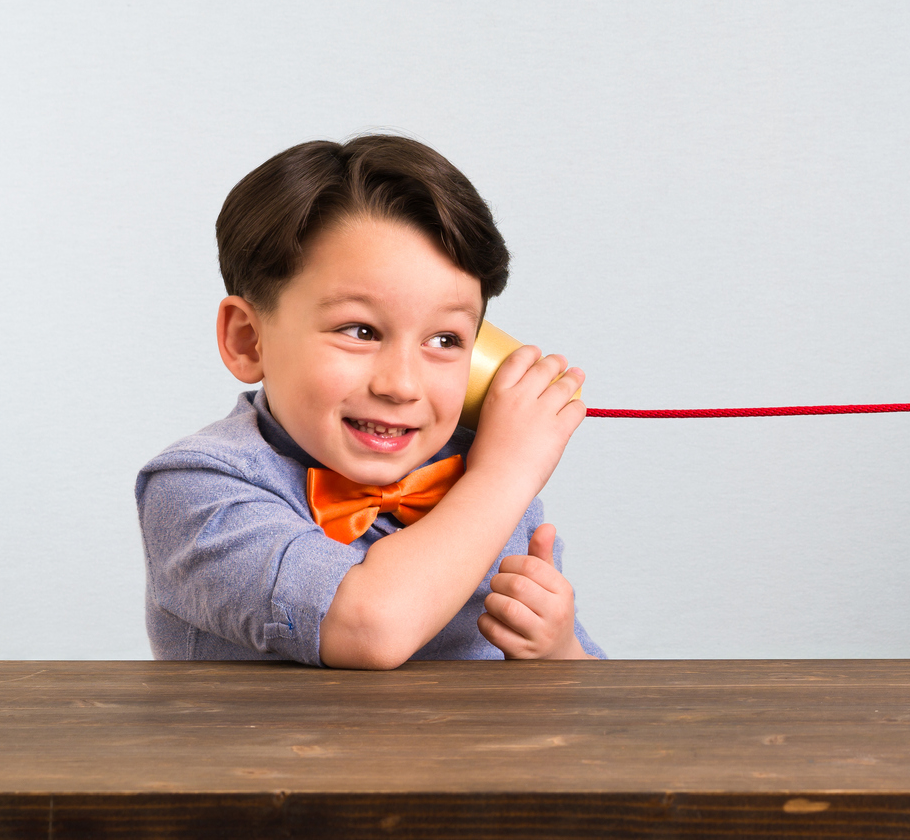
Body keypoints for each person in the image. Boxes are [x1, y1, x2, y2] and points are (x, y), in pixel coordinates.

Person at [135, 135, 602, 667]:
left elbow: (589, 703)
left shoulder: (484, 477)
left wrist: (559, 653)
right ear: (248, 339)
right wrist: (506, 474)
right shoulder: (196, 490)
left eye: (445, 340)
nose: (401, 386)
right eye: (359, 330)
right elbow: (370, 627)